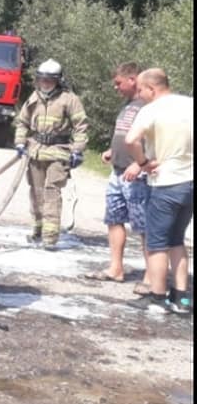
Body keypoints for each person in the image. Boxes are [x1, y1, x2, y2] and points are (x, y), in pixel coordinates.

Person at [125, 68, 193, 314]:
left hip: (166, 183)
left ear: (152, 88)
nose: (140, 95)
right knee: (177, 240)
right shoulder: (189, 104)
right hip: (190, 182)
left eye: (141, 90)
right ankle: (182, 298)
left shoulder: (151, 109)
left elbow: (131, 140)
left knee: (156, 243)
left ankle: (157, 296)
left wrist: (143, 163)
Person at [83, 63, 152, 290]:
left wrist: (141, 165)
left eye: (119, 83)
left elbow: (155, 141)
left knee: (144, 227)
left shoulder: (149, 106)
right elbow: (124, 134)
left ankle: (152, 277)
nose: (116, 87)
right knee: (114, 219)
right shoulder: (128, 105)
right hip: (117, 172)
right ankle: (116, 269)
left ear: (133, 80)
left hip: (138, 175)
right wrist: (112, 151)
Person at [13, 59, 89, 250]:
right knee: (36, 193)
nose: (45, 83)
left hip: (58, 152)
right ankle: (38, 228)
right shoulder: (33, 98)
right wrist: (20, 142)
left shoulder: (69, 99)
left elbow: (81, 126)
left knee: (51, 192)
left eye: (50, 80)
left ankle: (50, 236)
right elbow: (22, 122)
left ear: (58, 80)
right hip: (36, 151)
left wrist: (78, 150)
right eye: (42, 79)